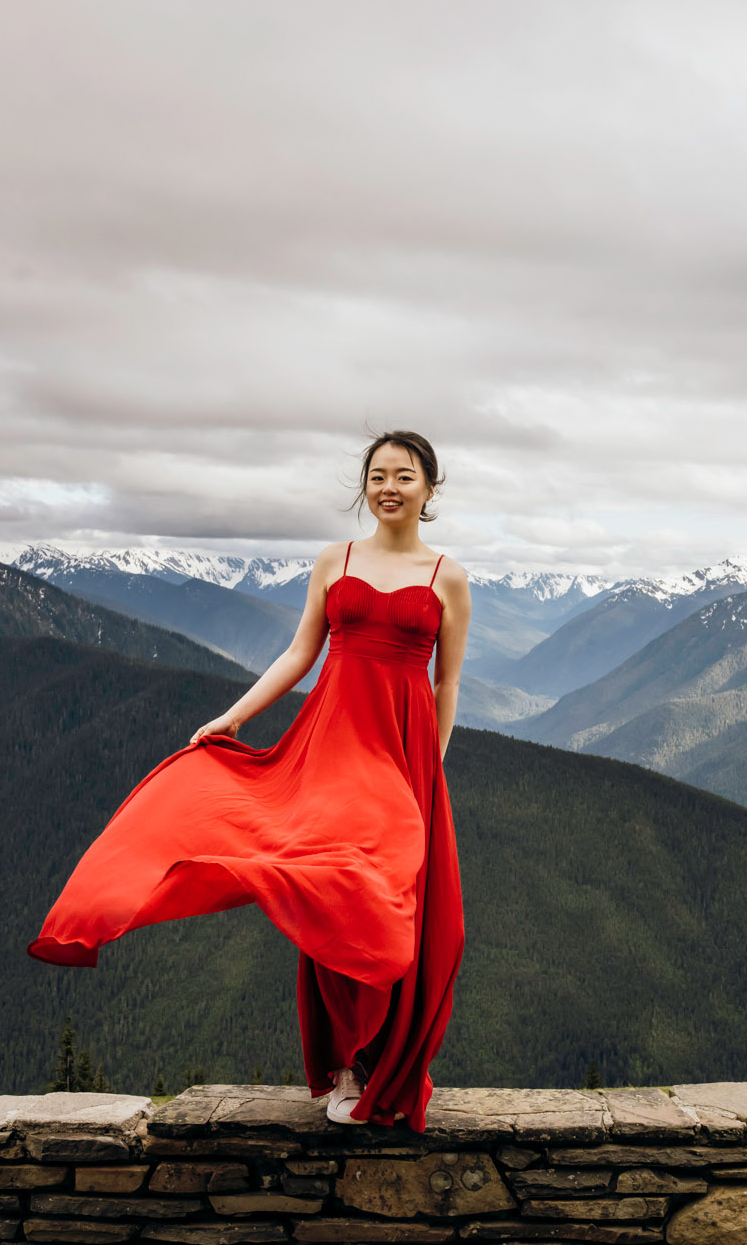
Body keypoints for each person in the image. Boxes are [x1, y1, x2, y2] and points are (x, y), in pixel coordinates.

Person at [26, 430, 470, 1131]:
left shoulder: (447, 575)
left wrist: (433, 769)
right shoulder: (335, 561)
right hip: (333, 749)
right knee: (332, 892)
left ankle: (389, 1064)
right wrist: (231, 719)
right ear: (366, 486)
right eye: (378, 475)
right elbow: (300, 654)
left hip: (405, 759)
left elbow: (447, 682)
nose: (390, 487)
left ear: (429, 489)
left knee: (399, 913)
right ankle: (349, 1067)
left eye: (405, 476)